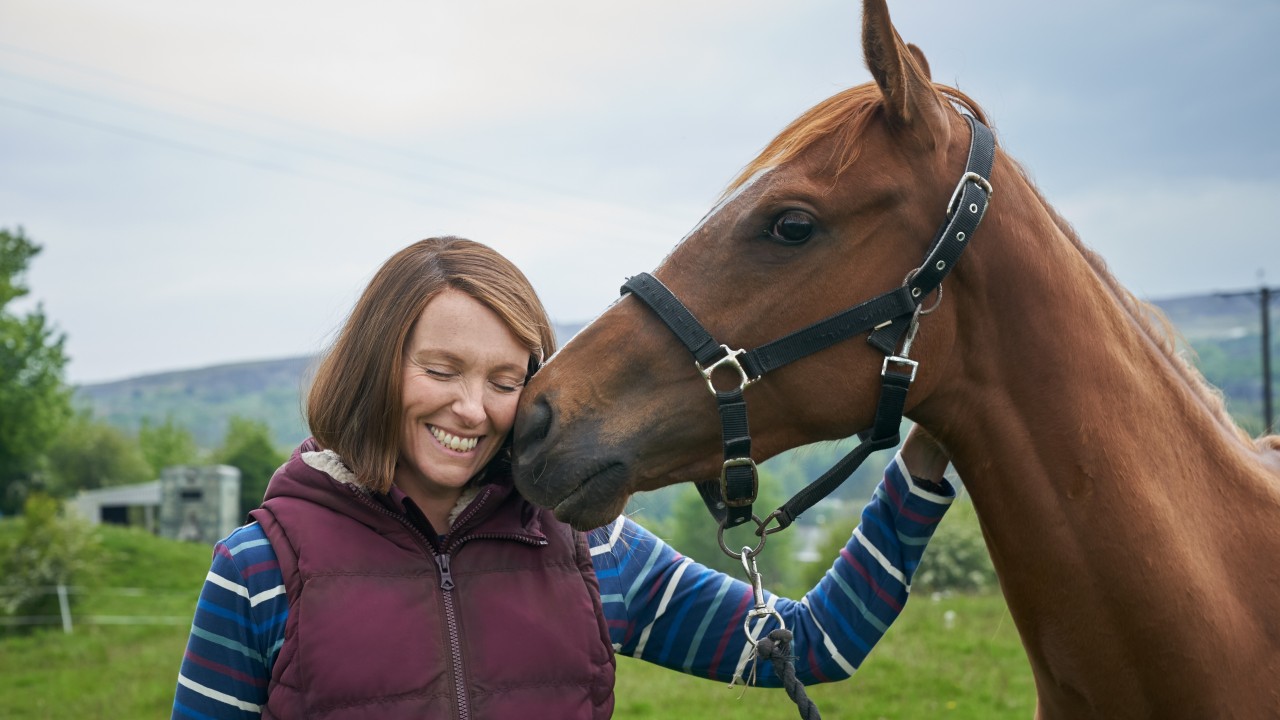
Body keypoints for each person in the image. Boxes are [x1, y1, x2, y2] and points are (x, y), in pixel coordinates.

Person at [171, 236, 956, 719]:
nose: (471, 409)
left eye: (506, 381)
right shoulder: (261, 571)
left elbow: (813, 645)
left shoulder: (596, 553)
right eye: (441, 370)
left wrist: (919, 468)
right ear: (378, 369)